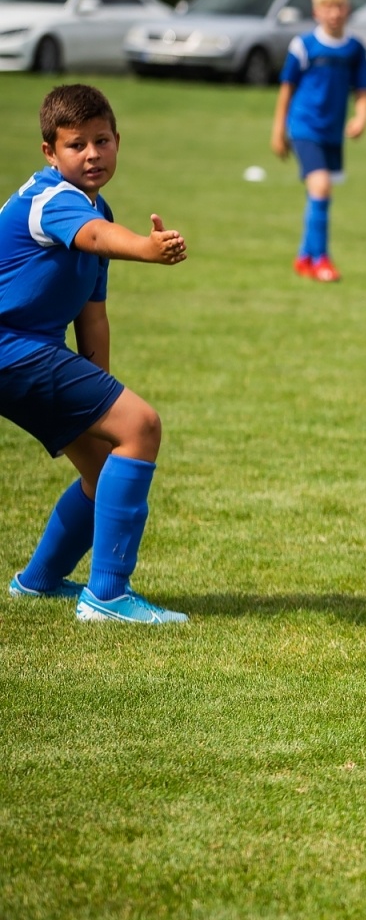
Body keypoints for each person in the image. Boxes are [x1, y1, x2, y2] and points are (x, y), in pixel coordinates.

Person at [2, 84, 190, 623]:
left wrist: (99, 397)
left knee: (105, 459)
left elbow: (93, 313)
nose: (91, 154)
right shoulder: (51, 200)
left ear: (117, 142)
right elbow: (97, 238)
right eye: (75, 145)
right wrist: (146, 249)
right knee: (144, 426)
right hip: (12, 349)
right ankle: (107, 596)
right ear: (49, 153)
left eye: (101, 141)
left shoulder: (94, 203)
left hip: (24, 352)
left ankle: (37, 582)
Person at [271, 0, 366, 284]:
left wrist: (361, 117)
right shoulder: (304, 46)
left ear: (348, 10)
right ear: (316, 12)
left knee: (318, 194)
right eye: (327, 7)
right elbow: (286, 90)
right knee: (322, 187)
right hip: (304, 127)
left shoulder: (355, 48)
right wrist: (278, 130)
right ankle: (321, 260)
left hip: (333, 132)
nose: (334, 13)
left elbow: (364, 90)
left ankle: (304, 257)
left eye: (339, 6)